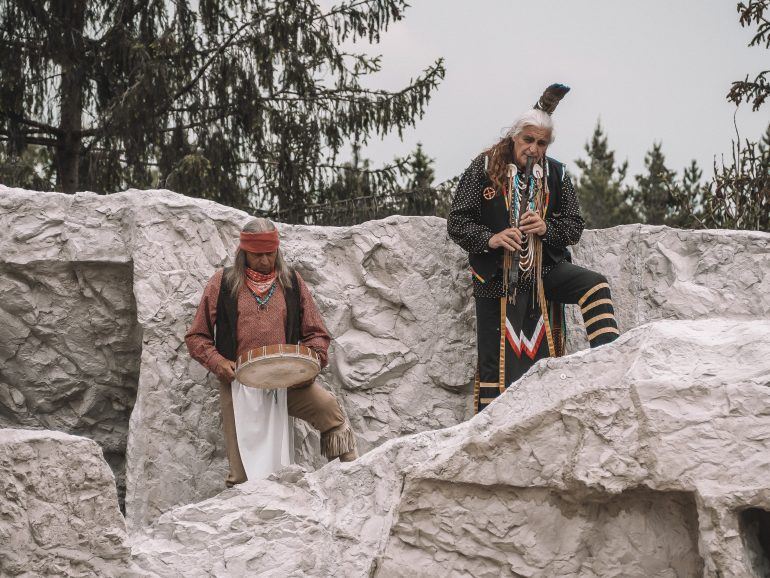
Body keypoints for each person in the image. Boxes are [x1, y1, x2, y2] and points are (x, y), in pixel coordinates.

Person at [447, 84, 620, 414]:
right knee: (494, 366)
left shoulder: (557, 173)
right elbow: (458, 221)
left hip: (546, 273)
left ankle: (609, 366)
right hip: (496, 279)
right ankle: (488, 436)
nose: (534, 148)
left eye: (541, 143)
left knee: (595, 286)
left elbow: (573, 226)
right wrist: (491, 239)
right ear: (514, 137)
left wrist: (546, 228)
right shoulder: (483, 169)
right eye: (528, 140)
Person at [185, 218, 357, 486]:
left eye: (270, 253)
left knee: (328, 409)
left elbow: (317, 333)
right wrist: (218, 362)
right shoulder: (223, 282)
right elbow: (197, 336)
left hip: (286, 381)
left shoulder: (291, 282)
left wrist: (308, 365)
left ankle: (352, 477)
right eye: (257, 254)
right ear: (244, 253)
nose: (265, 260)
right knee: (242, 474)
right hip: (239, 383)